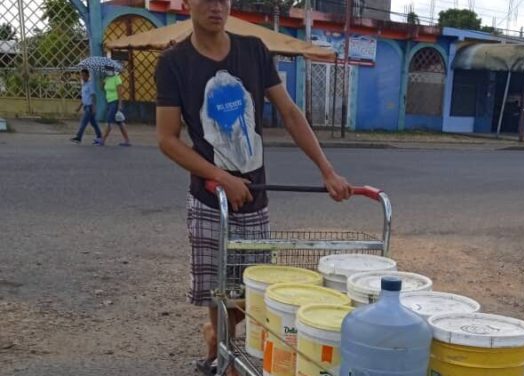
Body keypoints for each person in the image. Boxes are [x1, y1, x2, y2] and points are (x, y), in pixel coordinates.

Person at [154, 0, 352, 374]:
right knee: (218, 290)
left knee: (251, 296)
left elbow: (290, 113)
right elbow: (167, 139)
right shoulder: (173, 64)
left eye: (223, 0)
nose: (216, 7)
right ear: (186, 4)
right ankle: (227, 358)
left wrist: (327, 170)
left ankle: (217, 337)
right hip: (212, 201)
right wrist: (221, 176)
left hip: (256, 198)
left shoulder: (253, 51)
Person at [71, 69, 103, 145]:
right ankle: (100, 136)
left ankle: (78, 137)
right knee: (94, 123)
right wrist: (79, 107)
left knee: (83, 122)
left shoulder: (90, 84)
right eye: (81, 75)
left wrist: (94, 107)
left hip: (89, 107)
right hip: (86, 106)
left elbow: (93, 96)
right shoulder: (84, 85)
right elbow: (84, 98)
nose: (82, 77)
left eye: (84, 75)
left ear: (88, 76)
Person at [101, 67, 131, 146]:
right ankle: (127, 140)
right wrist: (103, 82)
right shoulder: (107, 79)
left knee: (109, 121)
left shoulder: (117, 78)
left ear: (113, 70)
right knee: (120, 122)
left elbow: (120, 93)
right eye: (106, 70)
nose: (107, 71)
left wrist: (120, 105)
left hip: (115, 102)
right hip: (109, 102)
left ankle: (103, 140)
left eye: (109, 70)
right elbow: (102, 88)